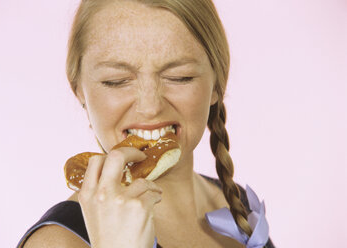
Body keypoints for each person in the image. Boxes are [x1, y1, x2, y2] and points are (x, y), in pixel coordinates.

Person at [18, 0, 275, 247]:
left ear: (217, 83)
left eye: (179, 77)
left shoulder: (239, 205)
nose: (151, 107)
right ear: (79, 90)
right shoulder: (57, 243)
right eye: (116, 81)